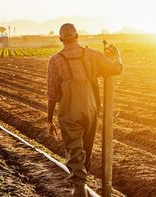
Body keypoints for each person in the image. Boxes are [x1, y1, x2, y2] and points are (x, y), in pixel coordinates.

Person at [46, 23, 123, 197]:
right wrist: (117, 55)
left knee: (75, 150)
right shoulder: (92, 55)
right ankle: (81, 184)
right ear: (77, 36)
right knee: (86, 149)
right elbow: (116, 69)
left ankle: (79, 187)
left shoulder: (55, 60)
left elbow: (52, 94)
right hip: (90, 109)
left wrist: (49, 120)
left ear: (60, 39)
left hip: (69, 111)